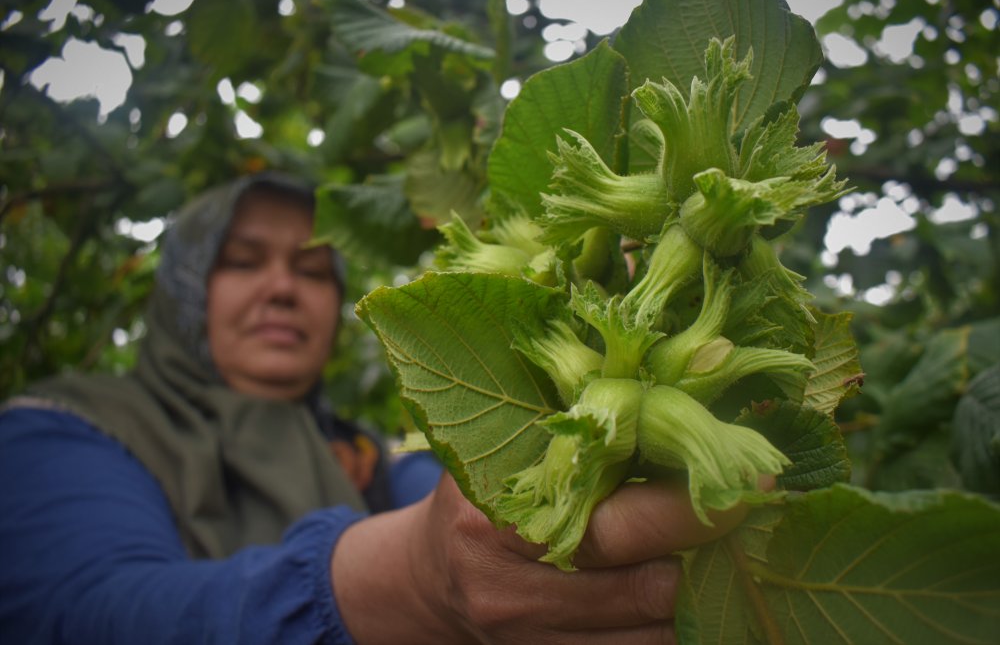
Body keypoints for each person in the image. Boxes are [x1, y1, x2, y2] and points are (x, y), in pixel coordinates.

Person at [0, 173, 748, 644]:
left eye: (312, 270)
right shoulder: (62, 426)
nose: (283, 289)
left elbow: (458, 505)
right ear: (184, 289)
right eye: (243, 261)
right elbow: (82, 614)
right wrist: (413, 578)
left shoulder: (369, 458)